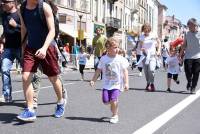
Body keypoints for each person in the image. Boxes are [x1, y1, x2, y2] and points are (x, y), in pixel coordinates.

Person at [17, 0, 66, 122]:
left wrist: (44, 48)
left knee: (53, 78)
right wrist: (23, 48)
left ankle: (60, 101)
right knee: (25, 77)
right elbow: (23, 28)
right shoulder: (22, 8)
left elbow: (52, 31)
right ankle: (30, 109)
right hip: (31, 47)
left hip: (47, 47)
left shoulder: (45, 7)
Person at [90, 37, 129, 124]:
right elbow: (98, 70)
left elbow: (125, 71)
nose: (117, 49)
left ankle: (115, 115)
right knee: (105, 101)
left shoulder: (121, 59)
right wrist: (93, 80)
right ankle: (113, 104)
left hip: (117, 84)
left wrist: (126, 83)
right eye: (114, 47)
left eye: (117, 47)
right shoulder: (103, 59)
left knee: (114, 99)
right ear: (108, 48)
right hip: (106, 85)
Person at [0, 0, 21, 103]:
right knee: (4, 69)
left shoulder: (19, 14)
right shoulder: (4, 15)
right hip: (8, 48)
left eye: (5, 2)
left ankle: (31, 97)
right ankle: (7, 95)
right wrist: (2, 42)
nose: (2, 3)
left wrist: (16, 25)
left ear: (12, 3)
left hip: (20, 48)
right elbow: (5, 31)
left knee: (28, 73)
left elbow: (27, 31)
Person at [179, 18, 200, 94]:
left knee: (196, 73)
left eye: (190, 26)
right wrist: (180, 55)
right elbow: (184, 45)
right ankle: (189, 82)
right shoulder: (187, 33)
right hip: (188, 56)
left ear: (195, 25)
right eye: (188, 26)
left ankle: (193, 87)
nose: (189, 28)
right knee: (188, 71)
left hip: (198, 57)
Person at [139, 23, 161, 91]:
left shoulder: (153, 34)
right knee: (146, 72)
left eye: (147, 30)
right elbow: (141, 46)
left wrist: (159, 50)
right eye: (144, 30)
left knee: (151, 70)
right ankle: (148, 83)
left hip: (152, 55)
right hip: (145, 56)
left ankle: (152, 84)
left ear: (149, 29)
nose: (146, 32)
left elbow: (159, 42)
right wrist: (142, 49)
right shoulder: (142, 37)